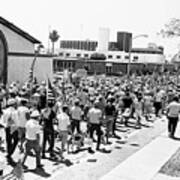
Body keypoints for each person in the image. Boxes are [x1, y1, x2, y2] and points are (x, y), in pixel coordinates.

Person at [2, 98, 19, 164]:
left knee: (8, 141)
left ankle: (8, 153)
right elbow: (17, 122)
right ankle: (10, 153)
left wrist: (6, 125)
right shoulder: (15, 112)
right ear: (14, 104)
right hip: (14, 128)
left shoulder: (5, 111)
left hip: (7, 127)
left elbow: (2, 121)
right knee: (16, 140)